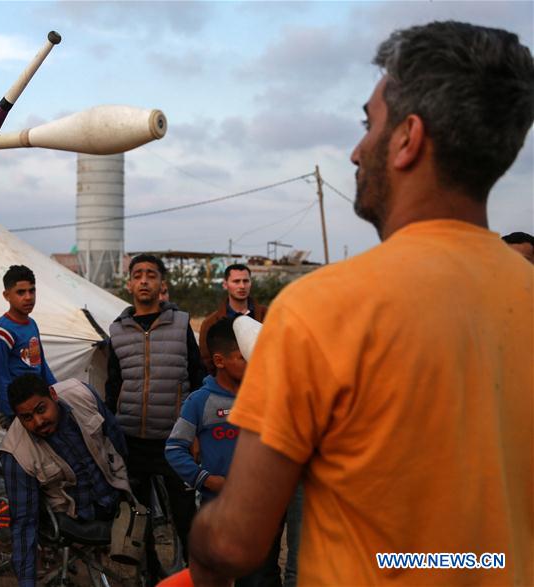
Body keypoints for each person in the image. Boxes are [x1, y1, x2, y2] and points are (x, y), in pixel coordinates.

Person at [188, 21, 533, 585]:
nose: (356, 149)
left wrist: (200, 546)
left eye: (369, 124)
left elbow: (233, 541)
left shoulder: (322, 310)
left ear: (407, 139)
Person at [105, 254, 204, 571]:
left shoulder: (180, 324)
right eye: (138, 274)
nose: (144, 280)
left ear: (163, 284)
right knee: (139, 518)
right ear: (129, 283)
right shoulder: (117, 331)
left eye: (151, 274)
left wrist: (197, 433)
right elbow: (113, 385)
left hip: (176, 442)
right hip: (132, 441)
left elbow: (198, 378)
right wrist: (111, 433)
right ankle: (150, 576)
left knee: (186, 516)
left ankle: (196, 576)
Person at [166, 318, 281, 587]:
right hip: (218, 510)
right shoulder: (200, 401)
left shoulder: (262, 397)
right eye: (242, 357)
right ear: (219, 360)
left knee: (260, 576)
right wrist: (206, 479)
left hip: (259, 510)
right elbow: (174, 448)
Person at [0, 374, 131, 587]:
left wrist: (130, 482)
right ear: (17, 417)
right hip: (75, 517)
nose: (38, 421)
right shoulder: (16, 453)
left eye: (41, 409)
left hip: (114, 491)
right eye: (27, 417)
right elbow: (24, 522)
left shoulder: (82, 394)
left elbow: (115, 435)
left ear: (53, 395)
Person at [0, 265, 56, 429]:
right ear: (7, 295)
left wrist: (56, 393)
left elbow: (41, 365)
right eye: (21, 292)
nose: (28, 297)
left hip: (38, 404)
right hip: (18, 410)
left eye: (32, 291)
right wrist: (15, 413)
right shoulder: (2, 332)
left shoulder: (31, 324)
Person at [198, 264, 268, 374]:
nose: (242, 286)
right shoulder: (211, 322)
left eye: (246, 281)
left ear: (251, 283)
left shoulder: (268, 316)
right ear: (225, 284)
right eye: (236, 281)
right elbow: (207, 362)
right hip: (226, 388)